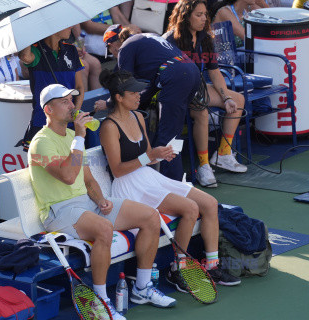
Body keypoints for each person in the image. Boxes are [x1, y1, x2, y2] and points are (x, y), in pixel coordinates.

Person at [28, 83, 177, 320]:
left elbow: (87, 180)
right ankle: (100, 302)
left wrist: (101, 200)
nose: (72, 105)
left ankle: (142, 287)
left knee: (150, 216)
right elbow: (68, 177)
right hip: (59, 211)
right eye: (65, 101)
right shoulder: (41, 142)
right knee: (104, 228)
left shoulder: (70, 135)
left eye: (71, 100)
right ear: (48, 109)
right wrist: (79, 137)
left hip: (86, 205)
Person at [99, 69, 241, 292]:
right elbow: (117, 170)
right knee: (191, 209)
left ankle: (212, 265)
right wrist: (150, 156)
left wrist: (159, 154)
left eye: (139, 91)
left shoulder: (138, 117)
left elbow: (146, 154)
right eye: (133, 92)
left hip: (147, 177)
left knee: (210, 204)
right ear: (118, 97)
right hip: (129, 185)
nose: (139, 95)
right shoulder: (108, 127)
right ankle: (179, 269)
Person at [101, 25, 201, 181]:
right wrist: (139, 99)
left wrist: (108, 104)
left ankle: (172, 184)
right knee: (172, 133)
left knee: (167, 137)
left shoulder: (125, 49)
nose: (114, 55)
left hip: (177, 76)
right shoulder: (148, 36)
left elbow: (125, 84)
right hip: (192, 71)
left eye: (112, 51)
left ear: (113, 45)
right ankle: (176, 181)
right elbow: (152, 85)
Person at [164, 0, 247, 187]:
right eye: (198, 15)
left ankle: (224, 154)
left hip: (198, 87)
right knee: (201, 111)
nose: (203, 19)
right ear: (186, 17)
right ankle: (203, 166)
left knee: (238, 100)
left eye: (205, 15)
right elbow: (163, 73)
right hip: (175, 92)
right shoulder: (170, 40)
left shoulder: (205, 38)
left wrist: (225, 97)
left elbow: (214, 72)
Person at [18, 27, 85, 149]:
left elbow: (80, 87)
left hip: (70, 123)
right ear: (52, 26)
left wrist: (75, 113)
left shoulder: (71, 50)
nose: (70, 27)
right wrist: (27, 28)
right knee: (53, 165)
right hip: (42, 123)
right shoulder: (35, 51)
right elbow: (24, 56)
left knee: (77, 160)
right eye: (66, 24)